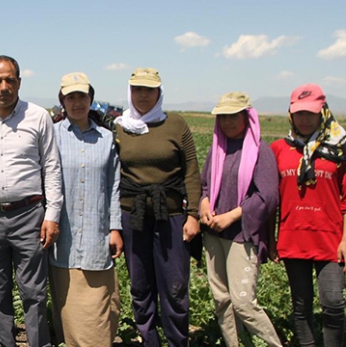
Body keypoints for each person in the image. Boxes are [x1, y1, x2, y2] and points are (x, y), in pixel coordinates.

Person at [0, 55, 63, 347]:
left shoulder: (38, 116)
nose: (3, 86)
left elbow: (51, 168)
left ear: (19, 82)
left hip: (29, 214)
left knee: (34, 292)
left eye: (9, 80)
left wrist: (52, 215)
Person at [113, 68, 201, 347]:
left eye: (149, 90)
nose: (142, 95)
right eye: (137, 89)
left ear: (158, 93)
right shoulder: (120, 127)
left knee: (175, 287)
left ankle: (178, 341)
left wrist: (194, 214)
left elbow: (191, 171)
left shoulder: (175, 125)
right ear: (130, 91)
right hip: (132, 215)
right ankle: (149, 339)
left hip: (172, 215)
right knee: (140, 285)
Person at [199, 92, 282, 347]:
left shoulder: (260, 151)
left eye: (233, 116)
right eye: (223, 116)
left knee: (244, 302)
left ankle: (274, 344)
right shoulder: (217, 149)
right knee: (221, 298)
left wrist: (232, 216)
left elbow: (267, 196)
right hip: (214, 234)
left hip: (241, 236)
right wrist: (203, 203)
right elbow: (204, 185)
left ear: (247, 116)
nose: (227, 121)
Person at [270, 83, 346, 347]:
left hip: (331, 240)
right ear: (291, 114)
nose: (304, 119)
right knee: (301, 307)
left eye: (310, 113)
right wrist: (270, 239)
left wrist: (345, 239)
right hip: (293, 239)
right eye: (299, 113)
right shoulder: (278, 149)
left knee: (333, 304)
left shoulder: (339, 149)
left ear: (322, 112)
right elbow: (271, 200)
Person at [49, 72, 121, 347]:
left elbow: (113, 186)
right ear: (62, 100)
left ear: (91, 99)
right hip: (62, 240)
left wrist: (115, 228)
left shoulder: (105, 138)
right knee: (67, 311)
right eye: (71, 97)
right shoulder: (51, 135)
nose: (77, 102)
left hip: (96, 239)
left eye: (82, 96)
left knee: (97, 310)